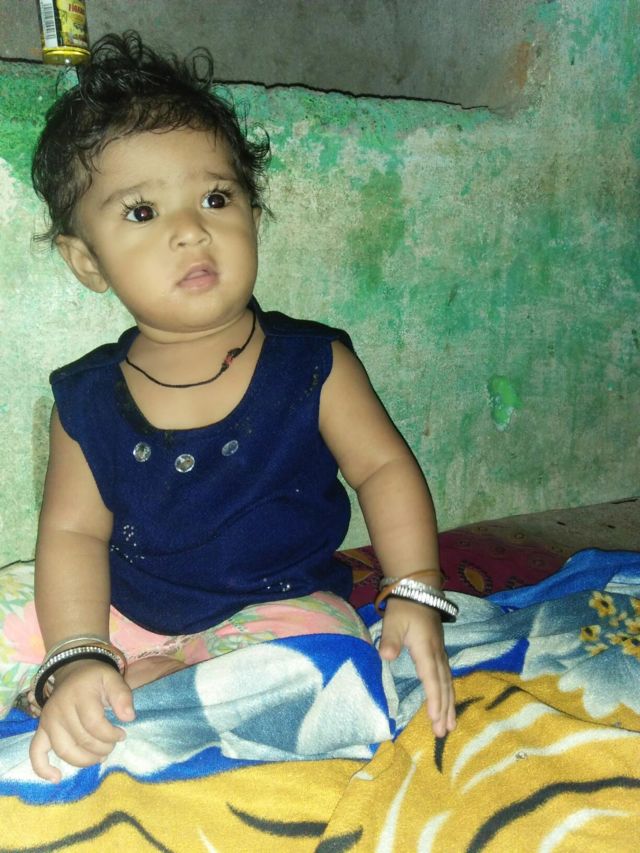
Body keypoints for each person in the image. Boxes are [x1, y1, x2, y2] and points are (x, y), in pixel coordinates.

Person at [27, 32, 456, 783]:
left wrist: (414, 589)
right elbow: (70, 535)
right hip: (119, 616)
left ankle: (145, 698)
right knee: (18, 607)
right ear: (87, 261)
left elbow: (384, 469)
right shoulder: (87, 401)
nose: (190, 228)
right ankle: (113, 684)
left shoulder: (314, 365)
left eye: (215, 198)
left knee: (335, 663)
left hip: (276, 614)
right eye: (142, 211)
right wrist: (79, 651)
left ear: (253, 216)